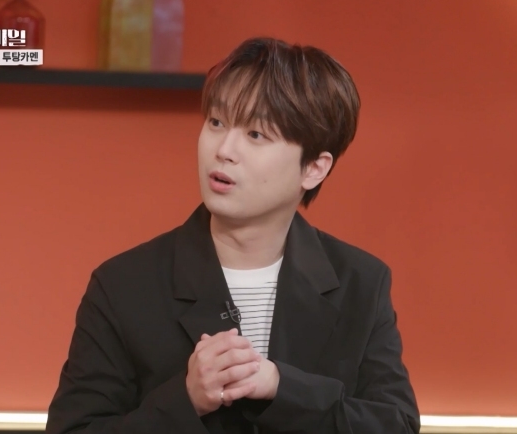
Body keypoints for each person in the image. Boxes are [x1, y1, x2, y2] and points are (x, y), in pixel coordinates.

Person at [45, 36, 420, 434]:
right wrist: (185, 400)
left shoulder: (361, 283)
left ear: (314, 168)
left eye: (256, 134)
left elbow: (395, 424)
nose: (223, 149)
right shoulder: (123, 285)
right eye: (216, 122)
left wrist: (282, 388)